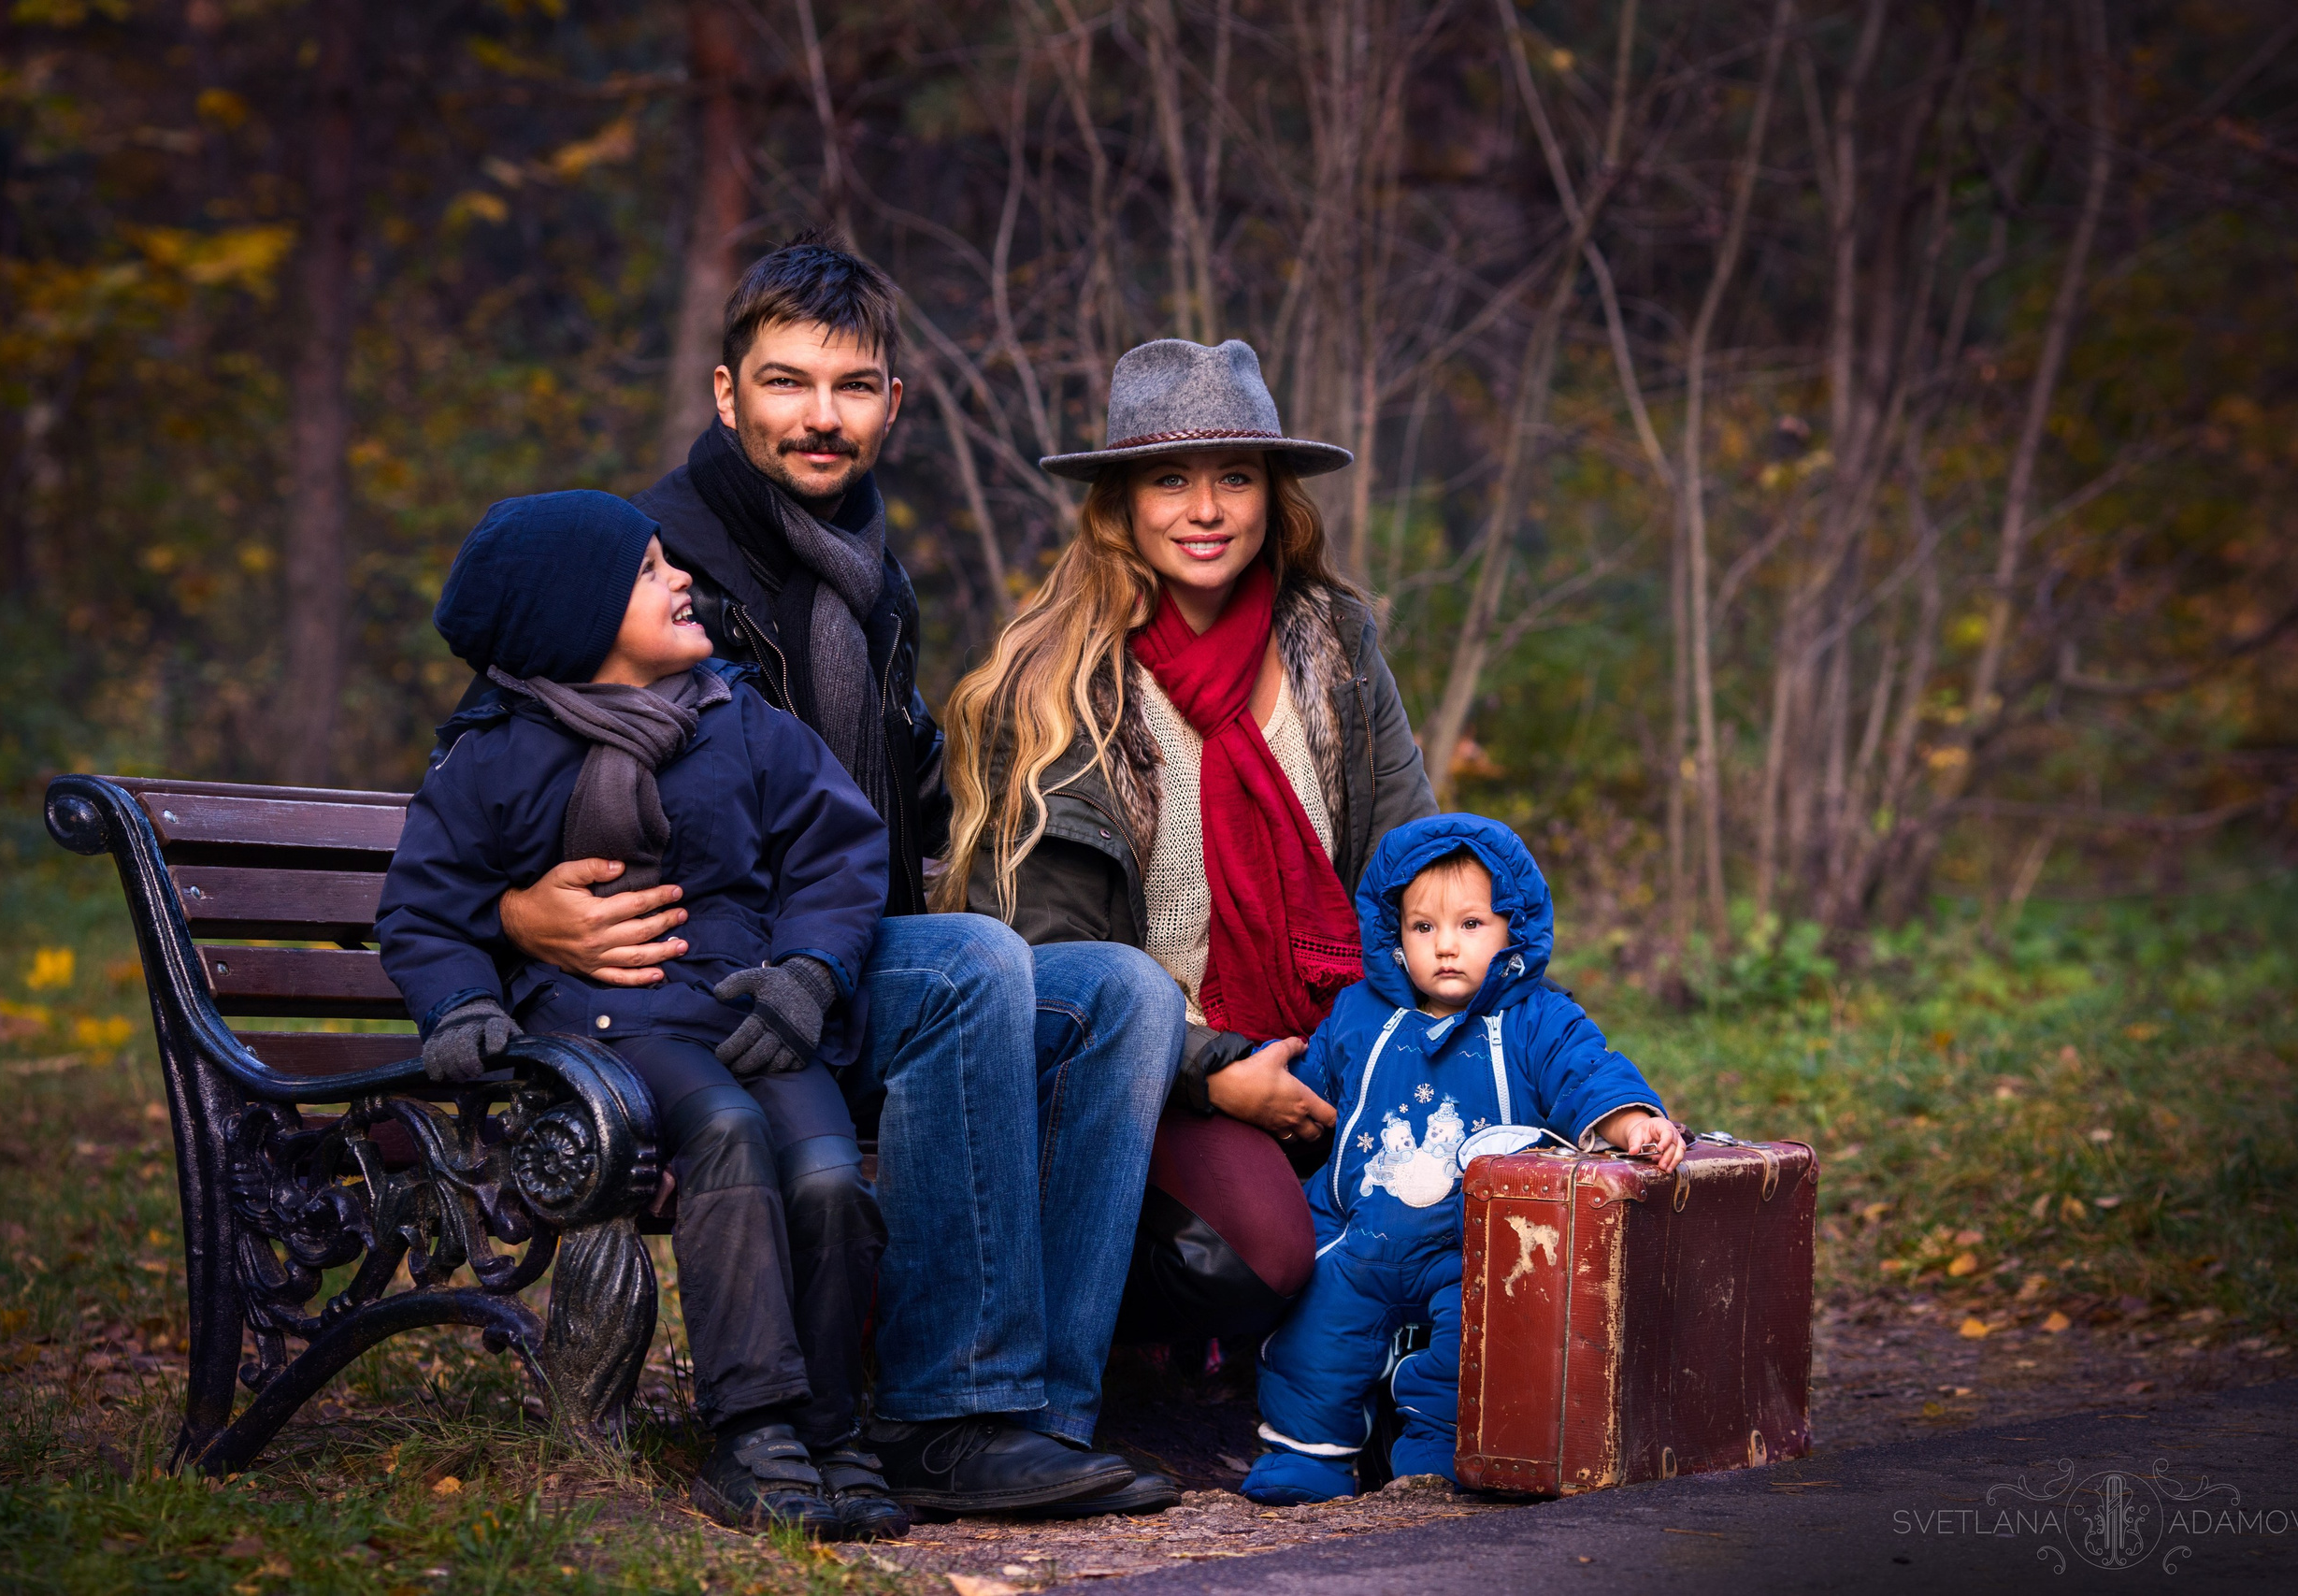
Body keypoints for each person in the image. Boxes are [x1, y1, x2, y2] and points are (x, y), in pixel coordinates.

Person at [468, 237, 1178, 1518]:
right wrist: (509, 913)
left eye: (852, 387)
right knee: (970, 966)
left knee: (1123, 992)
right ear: (726, 392)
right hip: (708, 988)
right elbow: (483, 752)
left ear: (891, 403)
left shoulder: (867, 570)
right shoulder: (650, 558)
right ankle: (944, 1411)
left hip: (828, 966)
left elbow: (882, 804)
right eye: (786, 382)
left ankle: (1032, 1414)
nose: (821, 416)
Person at [377, 490, 907, 1538]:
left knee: (828, 1175)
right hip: (609, 1035)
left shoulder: (741, 722)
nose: (682, 580)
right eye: (649, 569)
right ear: (571, 615)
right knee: (727, 1132)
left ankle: (832, 1432)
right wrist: (462, 1002)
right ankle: (752, 1429)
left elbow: (838, 854)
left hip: (751, 1017)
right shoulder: (495, 755)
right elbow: (425, 908)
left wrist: (808, 973)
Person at [937, 337, 1437, 1344]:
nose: (1205, 510)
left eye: (1234, 478)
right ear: (1120, 503)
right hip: (1152, 1068)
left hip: (1337, 1043)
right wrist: (1213, 1070)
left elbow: (1414, 867)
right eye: (1170, 479)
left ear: (1273, 497)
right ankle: (1127, 1343)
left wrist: (1423, 1043)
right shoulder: (1055, 688)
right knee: (1259, 1256)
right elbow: (1048, 965)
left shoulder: (1337, 649)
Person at [1238, 813, 1682, 1505]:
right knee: (1315, 1339)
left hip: (1475, 1250)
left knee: (1476, 1350)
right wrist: (1271, 1090)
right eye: (1424, 927)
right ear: (1393, 935)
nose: (1446, 946)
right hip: (1359, 1235)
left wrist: (1633, 1122)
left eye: (1471, 924)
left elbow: (1586, 1074)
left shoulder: (1537, 1019)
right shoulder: (1358, 1014)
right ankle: (1307, 1456)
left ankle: (1433, 1460)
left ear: (1513, 929)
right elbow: (1307, 1098)